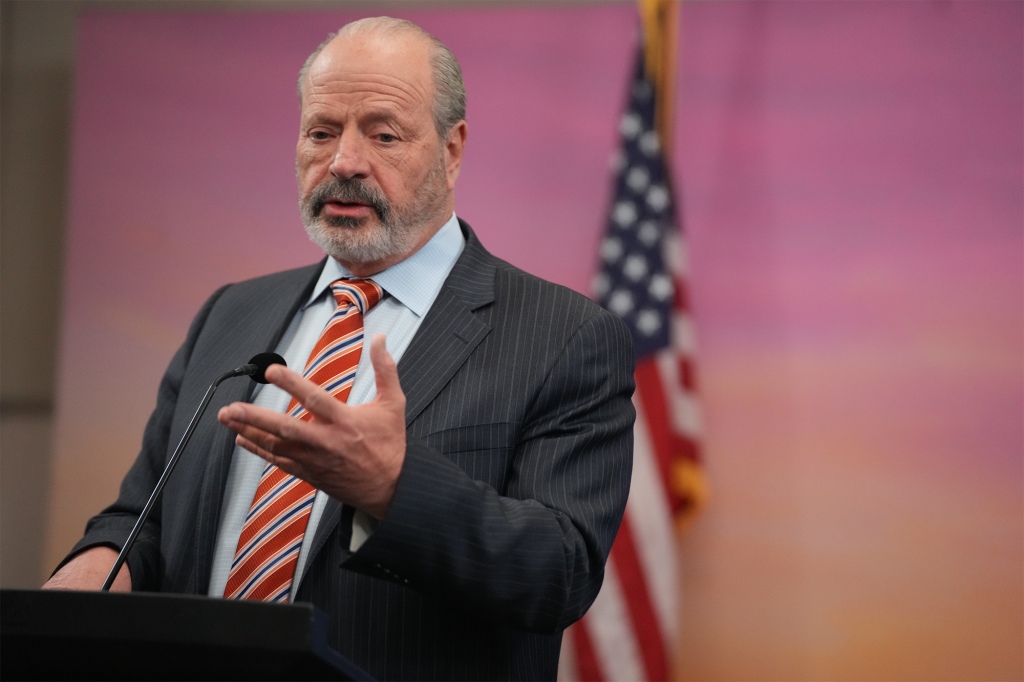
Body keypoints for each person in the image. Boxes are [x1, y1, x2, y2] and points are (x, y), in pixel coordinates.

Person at [43, 16, 635, 681]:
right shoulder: (233, 314)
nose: (345, 162)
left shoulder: (564, 336)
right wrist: (94, 570)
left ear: (452, 150)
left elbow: (559, 571)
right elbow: (144, 516)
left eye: (383, 135)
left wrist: (393, 488)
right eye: (321, 132)